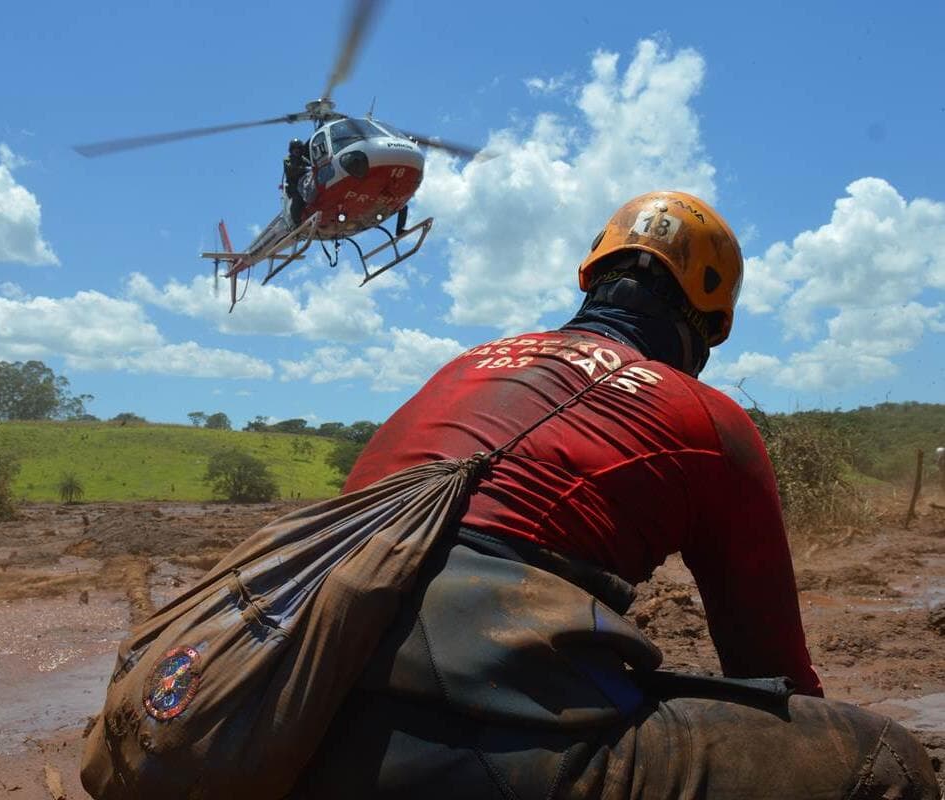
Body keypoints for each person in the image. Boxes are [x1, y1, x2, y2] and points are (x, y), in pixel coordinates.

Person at [296, 191, 938, 798]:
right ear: (710, 323)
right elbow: (770, 667)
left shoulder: (465, 365)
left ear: (591, 277)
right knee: (883, 757)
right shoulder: (708, 417)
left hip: (296, 710)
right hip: (477, 752)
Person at [283, 138, 310, 225]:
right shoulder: (287, 160)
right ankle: (296, 222)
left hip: (304, 184)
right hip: (293, 187)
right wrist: (304, 169)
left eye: (298, 148)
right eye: (295, 149)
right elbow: (291, 170)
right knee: (297, 199)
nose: (297, 151)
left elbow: (312, 167)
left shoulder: (304, 160)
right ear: (291, 150)